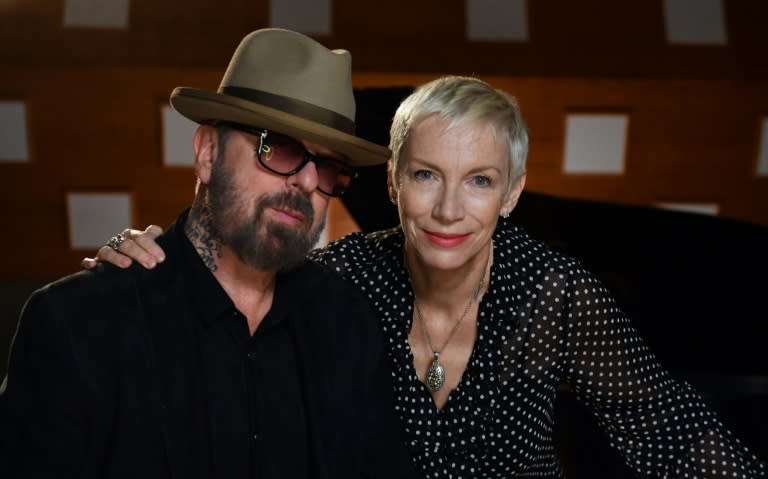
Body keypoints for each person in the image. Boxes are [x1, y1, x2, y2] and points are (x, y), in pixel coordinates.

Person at [83, 76, 767, 478]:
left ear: (513, 192)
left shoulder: (553, 293)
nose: (447, 209)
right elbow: (228, 294)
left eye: (479, 180)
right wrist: (141, 260)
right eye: (425, 175)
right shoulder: (338, 276)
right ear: (392, 181)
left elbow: (672, 430)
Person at [0, 28, 420, 479]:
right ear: (207, 153)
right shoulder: (77, 324)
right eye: (277, 148)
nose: (304, 182)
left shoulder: (348, 323)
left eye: (329, 166)